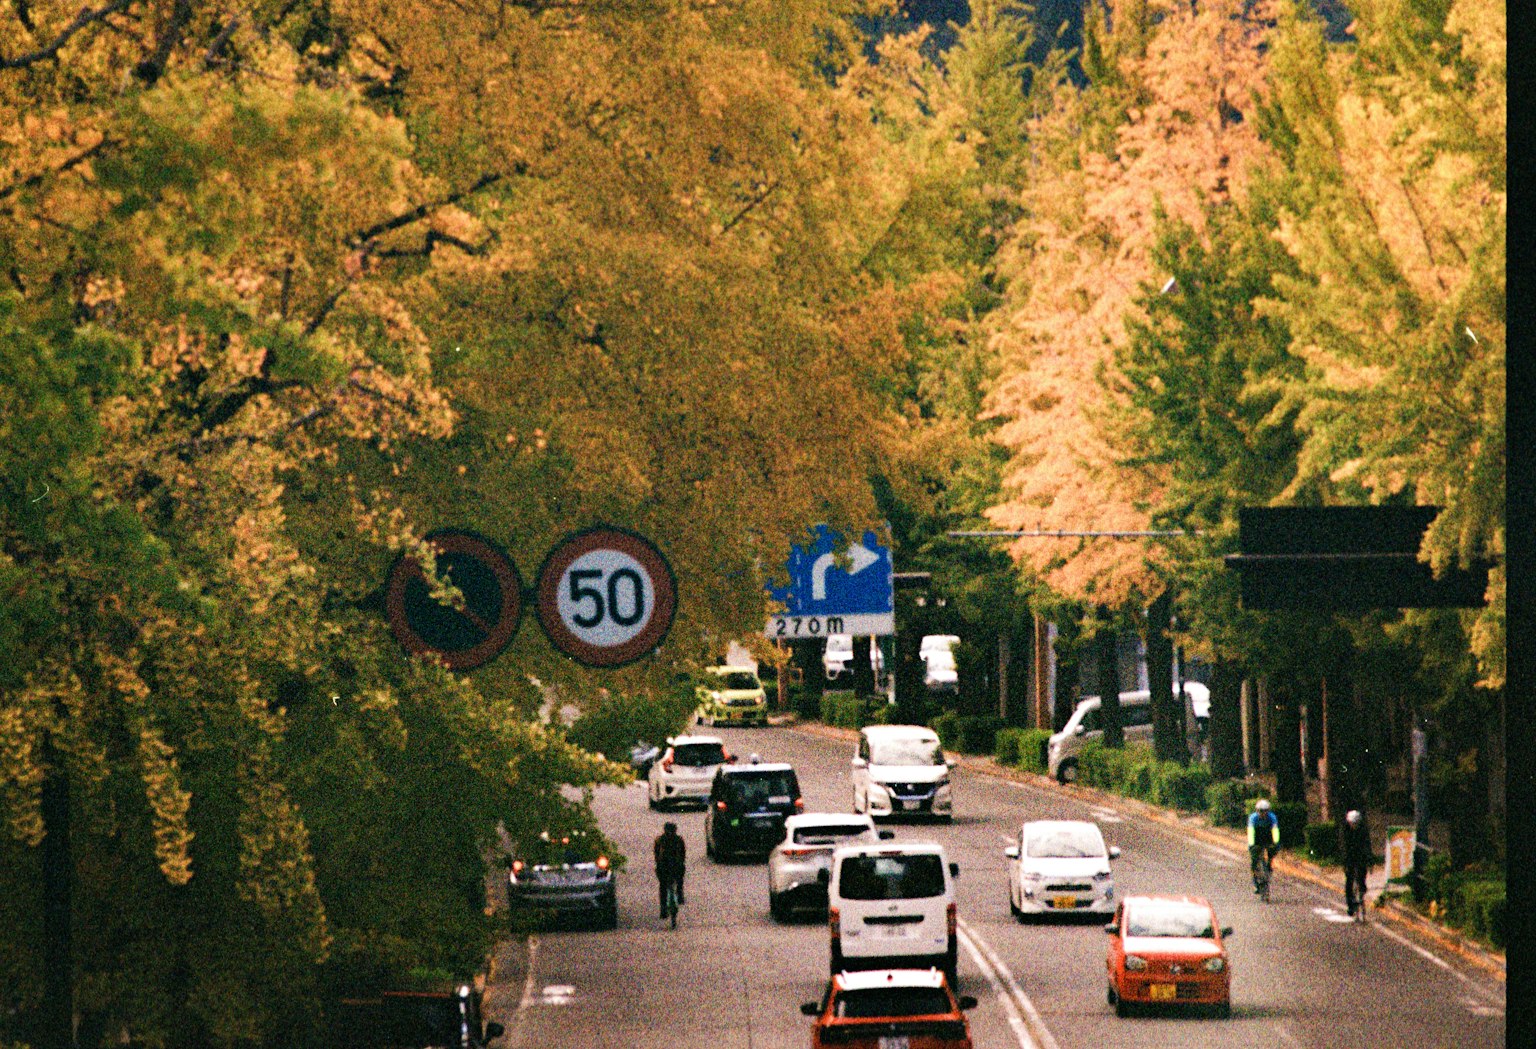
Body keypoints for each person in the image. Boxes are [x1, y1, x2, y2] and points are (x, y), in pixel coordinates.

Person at [1342, 809, 1372, 920]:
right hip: (1350, 855)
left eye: (1355, 824)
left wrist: (1370, 860)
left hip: (1360, 854)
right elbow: (1344, 847)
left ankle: (1362, 888)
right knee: (1349, 879)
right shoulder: (1346, 831)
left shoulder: (1363, 831)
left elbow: (1367, 845)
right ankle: (1350, 905)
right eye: (1351, 824)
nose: (1353, 826)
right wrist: (1345, 863)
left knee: (1362, 874)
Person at [654, 821, 686, 919]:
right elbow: (683, 854)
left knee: (663, 886)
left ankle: (663, 909)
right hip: (673, 866)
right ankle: (679, 895)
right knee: (678, 880)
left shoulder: (660, 840)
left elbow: (656, 855)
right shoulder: (678, 840)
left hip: (665, 866)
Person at [1247, 799, 1280, 892]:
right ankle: (1255, 881)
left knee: (1273, 850)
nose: (1262, 813)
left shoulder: (1272, 817)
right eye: (1260, 811)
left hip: (1267, 836)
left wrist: (1275, 842)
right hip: (1257, 837)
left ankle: (1269, 864)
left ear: (1268, 811)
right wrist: (1252, 844)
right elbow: (1251, 832)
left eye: (1265, 811)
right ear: (1257, 810)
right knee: (1254, 859)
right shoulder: (1253, 818)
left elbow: (1275, 830)